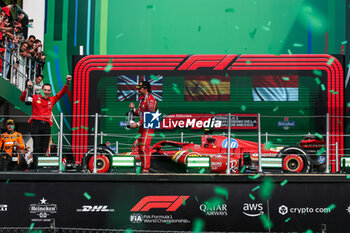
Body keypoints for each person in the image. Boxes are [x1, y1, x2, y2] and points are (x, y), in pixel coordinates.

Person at [20, 75, 72, 169]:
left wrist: (67, 83)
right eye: (45, 90)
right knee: (37, 146)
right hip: (36, 123)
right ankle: (36, 167)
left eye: (48, 90)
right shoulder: (35, 97)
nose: (47, 92)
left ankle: (40, 166)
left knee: (44, 147)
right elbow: (22, 99)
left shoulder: (52, 100)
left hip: (46, 125)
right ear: (42, 90)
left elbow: (61, 93)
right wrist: (27, 88)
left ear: (50, 91)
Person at [129, 81, 158, 172]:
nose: (138, 90)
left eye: (140, 88)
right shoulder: (142, 100)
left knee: (144, 148)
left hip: (149, 126)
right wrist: (133, 108)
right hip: (143, 126)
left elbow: (150, 116)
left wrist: (137, 124)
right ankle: (144, 168)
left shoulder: (151, 99)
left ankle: (146, 169)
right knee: (138, 147)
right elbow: (139, 113)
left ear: (145, 89)